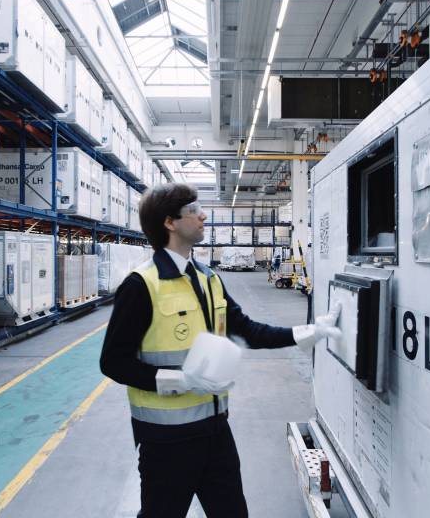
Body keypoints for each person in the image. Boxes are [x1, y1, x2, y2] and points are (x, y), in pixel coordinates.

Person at [100, 183, 341, 518]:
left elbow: (246, 329)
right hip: (166, 442)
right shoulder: (141, 286)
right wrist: (180, 380)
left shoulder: (208, 278)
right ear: (170, 222)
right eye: (193, 211)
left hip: (215, 432)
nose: (203, 216)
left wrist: (306, 332)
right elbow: (113, 362)